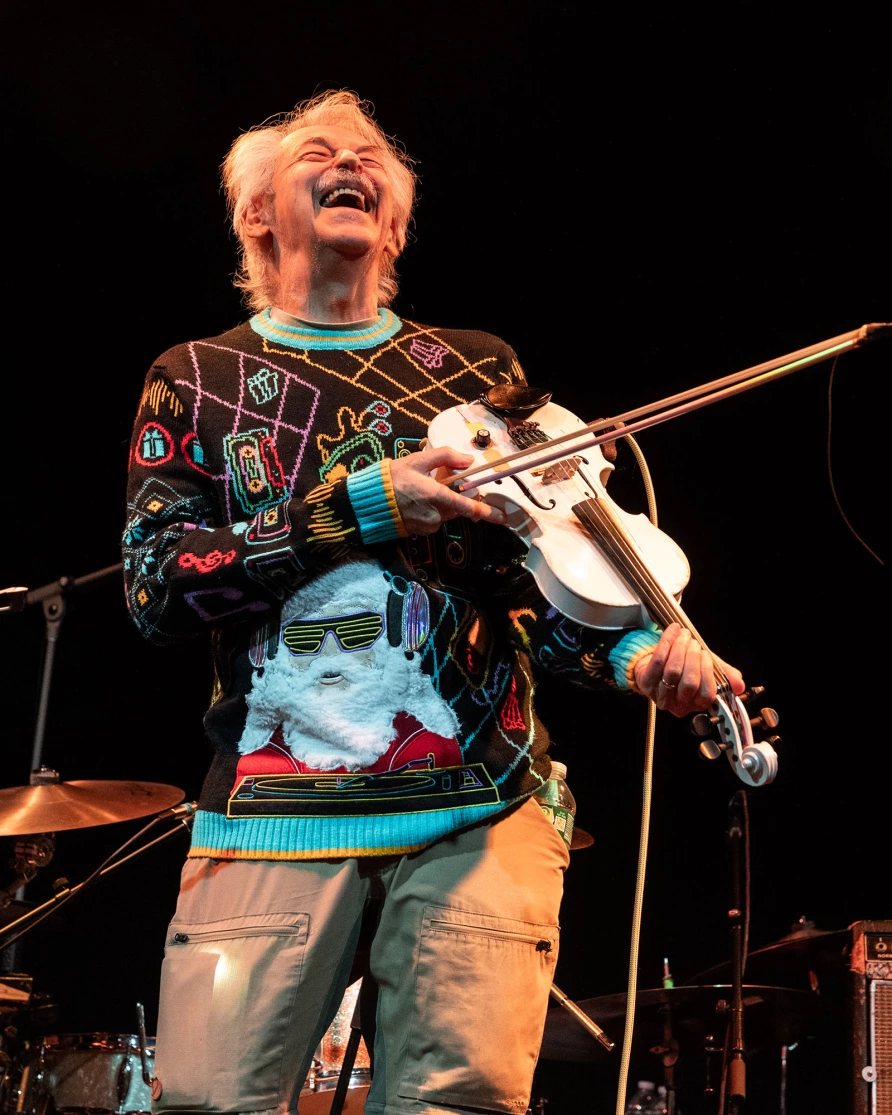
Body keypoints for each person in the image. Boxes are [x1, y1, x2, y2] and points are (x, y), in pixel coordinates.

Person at [122, 90, 742, 1115]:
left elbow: (532, 584)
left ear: (396, 225)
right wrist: (359, 506)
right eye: (318, 151)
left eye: (370, 156)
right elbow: (156, 586)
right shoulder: (195, 376)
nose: (349, 163)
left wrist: (636, 655)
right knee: (208, 1102)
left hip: (481, 807)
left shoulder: (477, 372)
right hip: (269, 812)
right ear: (258, 213)